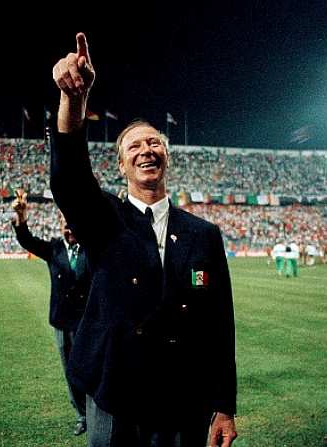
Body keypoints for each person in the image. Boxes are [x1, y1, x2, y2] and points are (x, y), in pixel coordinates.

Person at [49, 33, 237, 446]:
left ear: (167, 155)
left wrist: (224, 405)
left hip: (182, 395)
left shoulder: (204, 235)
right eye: (134, 145)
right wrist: (73, 102)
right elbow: (68, 180)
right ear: (121, 165)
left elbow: (219, 324)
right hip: (116, 391)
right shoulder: (105, 219)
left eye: (154, 142)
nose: (146, 150)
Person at [11, 189, 90, 436]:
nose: (70, 231)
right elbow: (28, 241)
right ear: (60, 226)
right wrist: (22, 219)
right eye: (66, 226)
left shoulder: (93, 249)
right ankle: (82, 416)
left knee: (91, 368)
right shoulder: (54, 249)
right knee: (71, 372)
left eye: (74, 226)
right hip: (62, 323)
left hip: (88, 323)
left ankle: (99, 415)